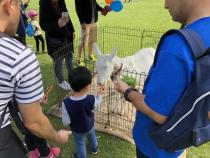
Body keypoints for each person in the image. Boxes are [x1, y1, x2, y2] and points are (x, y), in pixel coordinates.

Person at [112, 0, 210, 157]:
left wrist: (128, 91)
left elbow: (158, 113)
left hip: (155, 147)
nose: (165, 5)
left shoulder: (178, 46)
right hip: (185, 135)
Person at [0, 0, 69, 157]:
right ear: (9, 4)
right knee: (35, 134)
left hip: (16, 117)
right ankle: (45, 153)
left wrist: (34, 99)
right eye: (19, 6)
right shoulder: (18, 55)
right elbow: (34, 122)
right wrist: (59, 137)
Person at [61, 66, 104, 158]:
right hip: (90, 125)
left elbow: (66, 122)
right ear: (86, 87)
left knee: (80, 143)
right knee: (92, 137)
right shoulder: (91, 99)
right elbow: (96, 106)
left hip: (77, 129)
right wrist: (99, 95)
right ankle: (94, 149)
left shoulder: (66, 103)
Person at [39, 0, 75, 91]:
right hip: (55, 38)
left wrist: (72, 29)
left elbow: (66, 15)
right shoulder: (44, 3)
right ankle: (61, 81)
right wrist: (57, 24)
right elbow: (43, 25)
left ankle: (72, 77)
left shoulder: (61, 1)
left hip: (67, 35)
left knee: (69, 56)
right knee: (59, 59)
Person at [75, 0, 111, 65]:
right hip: (85, 23)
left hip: (94, 22)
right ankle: (79, 59)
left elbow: (95, 5)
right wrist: (82, 22)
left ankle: (90, 55)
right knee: (84, 42)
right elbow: (78, 9)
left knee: (93, 41)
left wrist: (102, 9)